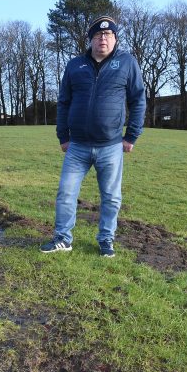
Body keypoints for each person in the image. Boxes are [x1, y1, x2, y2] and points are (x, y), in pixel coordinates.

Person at [42, 15, 145, 258]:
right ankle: (62, 239)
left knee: (111, 198)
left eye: (108, 35)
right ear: (90, 40)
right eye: (98, 35)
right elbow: (64, 101)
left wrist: (131, 135)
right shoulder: (75, 65)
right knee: (66, 193)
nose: (103, 38)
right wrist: (62, 136)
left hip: (110, 146)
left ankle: (106, 240)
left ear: (115, 38)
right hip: (77, 146)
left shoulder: (127, 63)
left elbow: (138, 100)